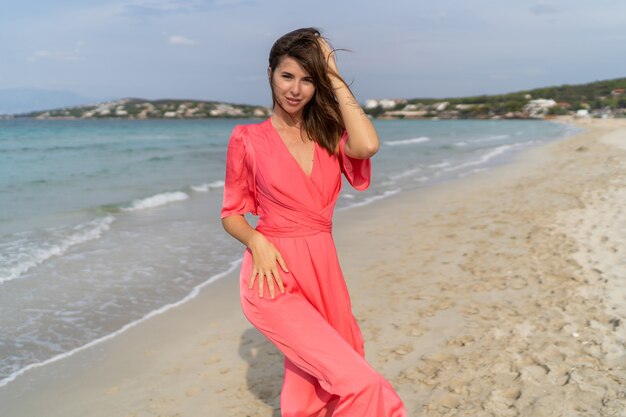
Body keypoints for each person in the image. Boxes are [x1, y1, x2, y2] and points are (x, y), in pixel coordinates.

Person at [221, 27, 407, 417]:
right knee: (360, 382)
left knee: (314, 385)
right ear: (270, 73)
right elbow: (231, 214)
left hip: (323, 270)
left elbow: (368, 145)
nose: (296, 89)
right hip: (272, 274)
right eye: (287, 76)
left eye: (308, 79)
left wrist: (334, 74)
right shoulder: (247, 138)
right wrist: (256, 242)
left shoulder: (329, 135)